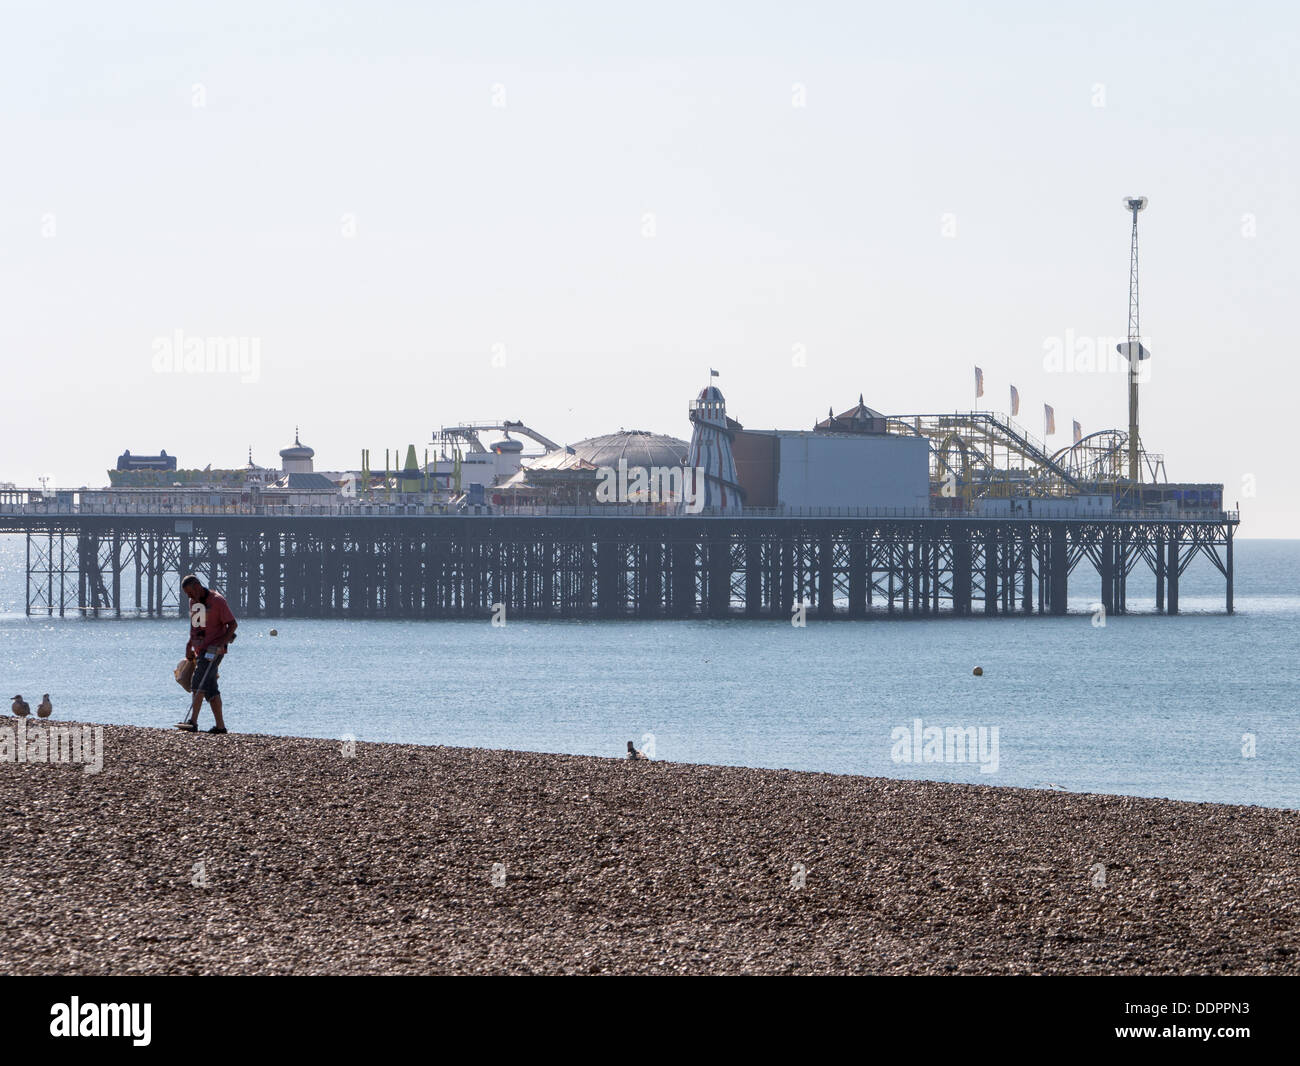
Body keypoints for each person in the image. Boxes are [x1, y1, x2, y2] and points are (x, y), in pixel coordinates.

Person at [177, 574, 237, 734]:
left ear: (197, 586)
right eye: (187, 595)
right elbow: (196, 627)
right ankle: (220, 727)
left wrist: (221, 642)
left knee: (198, 680)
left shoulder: (217, 601)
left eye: (190, 593)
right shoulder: (194, 602)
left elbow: (232, 624)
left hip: (213, 650)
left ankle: (193, 722)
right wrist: (189, 646)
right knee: (210, 688)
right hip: (200, 650)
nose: (189, 597)